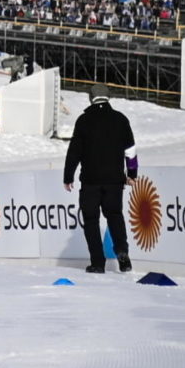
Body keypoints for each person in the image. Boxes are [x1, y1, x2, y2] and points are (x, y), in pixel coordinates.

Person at [63, 84, 138, 274]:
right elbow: (130, 150)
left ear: (90, 98)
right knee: (115, 216)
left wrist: (68, 176)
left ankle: (97, 262)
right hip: (114, 181)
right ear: (108, 97)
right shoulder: (121, 120)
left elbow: (74, 152)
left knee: (91, 220)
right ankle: (122, 252)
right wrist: (132, 174)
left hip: (91, 181)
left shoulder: (84, 120)